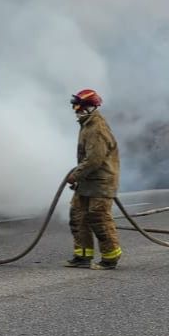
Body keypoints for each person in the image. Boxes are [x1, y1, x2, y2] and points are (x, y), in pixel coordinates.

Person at [64, 89, 123, 270]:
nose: (76, 111)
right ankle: (82, 256)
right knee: (78, 216)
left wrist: (75, 175)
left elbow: (94, 160)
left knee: (98, 218)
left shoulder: (96, 128)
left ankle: (110, 258)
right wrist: (79, 177)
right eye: (76, 107)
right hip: (88, 181)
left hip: (101, 182)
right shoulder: (87, 124)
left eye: (79, 107)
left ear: (90, 107)